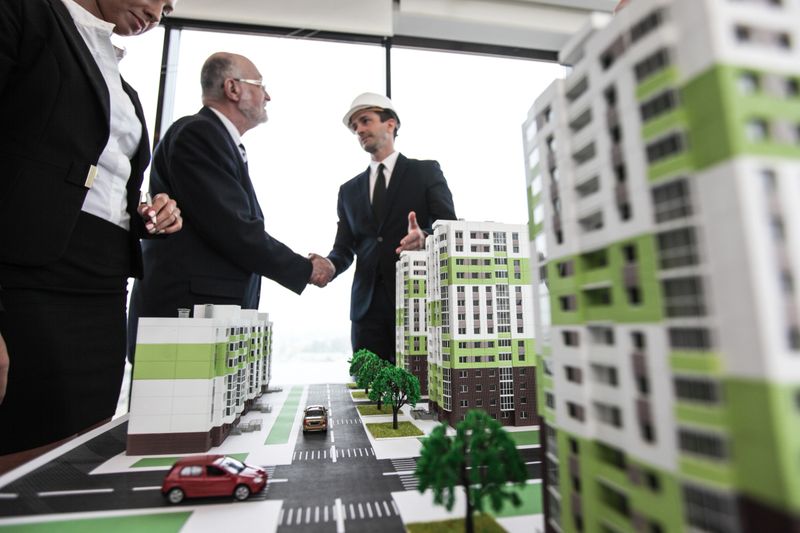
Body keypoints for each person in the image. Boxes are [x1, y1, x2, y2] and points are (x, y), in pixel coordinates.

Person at [0, 0, 183, 468]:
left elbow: (105, 185)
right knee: (27, 443)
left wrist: (149, 214)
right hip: (27, 281)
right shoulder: (25, 13)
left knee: (87, 446)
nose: (159, 14)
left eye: (168, 7)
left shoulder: (125, 88)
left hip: (103, 282)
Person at [128, 52, 330, 357]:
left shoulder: (219, 140)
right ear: (233, 88)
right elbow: (233, 228)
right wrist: (305, 269)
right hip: (185, 316)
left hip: (201, 315)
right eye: (260, 85)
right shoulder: (200, 134)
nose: (268, 96)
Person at [312, 93, 456, 364]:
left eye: (365, 121)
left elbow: (448, 227)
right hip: (366, 314)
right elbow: (344, 249)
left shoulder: (425, 172)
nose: (360, 130)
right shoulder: (348, 191)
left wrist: (424, 237)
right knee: (370, 395)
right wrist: (330, 266)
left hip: (418, 303)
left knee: (420, 391)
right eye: (355, 126)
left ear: (391, 124)